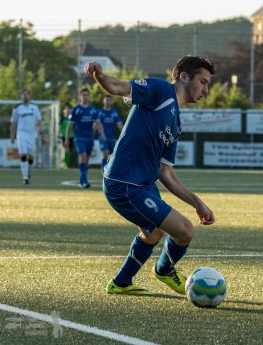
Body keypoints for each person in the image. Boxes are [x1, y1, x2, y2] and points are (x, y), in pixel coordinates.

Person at [84, 55, 216, 295]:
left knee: (153, 232)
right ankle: (164, 270)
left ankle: (121, 283)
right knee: (185, 231)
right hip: (124, 183)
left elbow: (166, 174)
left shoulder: (176, 125)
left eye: (208, 84)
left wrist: (198, 203)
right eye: (203, 82)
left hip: (142, 185)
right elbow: (119, 87)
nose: (206, 89)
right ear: (184, 76)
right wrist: (100, 76)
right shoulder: (161, 90)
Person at [65, 88, 105, 188]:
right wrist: (66, 139)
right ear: (80, 96)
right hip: (79, 137)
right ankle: (85, 182)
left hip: (89, 137)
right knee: (82, 156)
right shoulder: (76, 109)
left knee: (86, 160)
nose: (85, 97)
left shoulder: (93, 109)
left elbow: (98, 122)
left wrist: (102, 133)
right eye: (83, 95)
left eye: (87, 95)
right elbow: (70, 125)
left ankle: (81, 181)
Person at [10, 89, 42, 184]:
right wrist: (12, 135)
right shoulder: (17, 108)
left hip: (32, 135)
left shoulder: (35, 107)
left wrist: (40, 128)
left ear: (29, 95)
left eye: (27, 94)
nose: (25, 96)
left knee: (31, 156)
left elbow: (39, 120)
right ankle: (25, 178)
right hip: (21, 134)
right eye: (23, 95)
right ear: (21, 96)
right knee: (23, 154)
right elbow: (13, 123)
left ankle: (28, 172)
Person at [96, 95, 123, 169]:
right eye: (106, 100)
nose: (108, 101)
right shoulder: (99, 112)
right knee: (105, 152)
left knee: (112, 155)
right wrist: (101, 133)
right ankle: (104, 169)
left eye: (109, 100)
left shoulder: (114, 112)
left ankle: (109, 169)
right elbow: (97, 124)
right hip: (103, 137)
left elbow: (119, 124)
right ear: (103, 101)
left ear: (112, 102)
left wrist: (125, 134)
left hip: (112, 137)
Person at [59, 104, 75, 169]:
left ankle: (66, 164)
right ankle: (63, 164)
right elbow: (60, 127)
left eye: (69, 110)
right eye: (67, 110)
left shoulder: (72, 118)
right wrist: (59, 135)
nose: (68, 111)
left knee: (69, 150)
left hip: (71, 136)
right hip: (63, 136)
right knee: (65, 149)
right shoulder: (62, 118)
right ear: (64, 111)